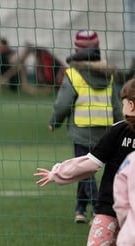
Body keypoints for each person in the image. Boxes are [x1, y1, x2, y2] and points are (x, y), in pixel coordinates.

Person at [35, 79, 135, 246]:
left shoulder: (119, 131)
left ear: (131, 105)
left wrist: (57, 173)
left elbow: (91, 163)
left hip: (110, 208)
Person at [49, 30, 122, 224]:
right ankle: (80, 209)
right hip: (106, 131)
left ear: (77, 49)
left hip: (81, 131)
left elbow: (63, 103)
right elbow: (116, 104)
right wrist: (122, 126)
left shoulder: (72, 74)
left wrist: (54, 122)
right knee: (92, 167)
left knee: (83, 169)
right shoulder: (109, 74)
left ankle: (97, 207)